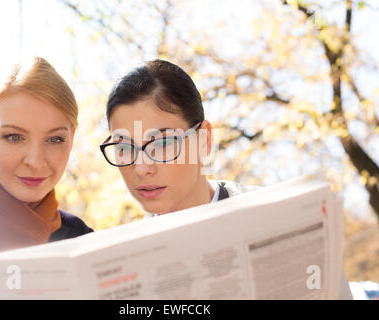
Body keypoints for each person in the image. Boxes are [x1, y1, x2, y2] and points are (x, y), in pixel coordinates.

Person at [100, 59, 353, 299]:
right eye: (124, 148)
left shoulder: (284, 221)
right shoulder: (120, 268)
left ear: (204, 140)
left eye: (163, 143)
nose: (142, 167)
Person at [0, 57, 92, 256]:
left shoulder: (80, 239)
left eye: (54, 139)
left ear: (71, 140)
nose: (36, 162)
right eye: (14, 137)